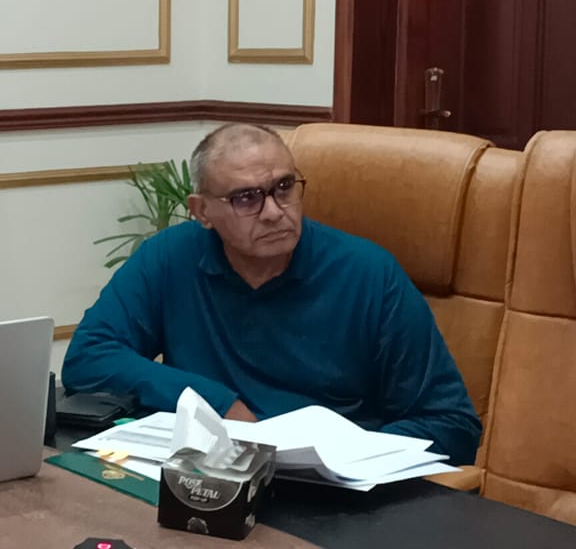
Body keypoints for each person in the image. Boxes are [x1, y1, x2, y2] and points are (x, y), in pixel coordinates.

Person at [62, 123, 481, 465]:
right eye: (246, 198)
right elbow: (88, 357)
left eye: (284, 187)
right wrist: (216, 403)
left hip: (333, 496)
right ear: (202, 211)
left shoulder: (369, 274)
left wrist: (342, 456)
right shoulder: (171, 256)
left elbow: (451, 424)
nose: (274, 212)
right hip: (210, 478)